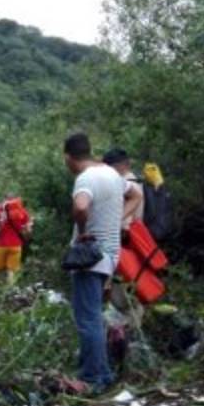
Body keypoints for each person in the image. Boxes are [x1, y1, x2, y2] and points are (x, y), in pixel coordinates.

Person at [63, 133, 129, 392]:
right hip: (110, 255)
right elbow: (135, 193)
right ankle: (101, 372)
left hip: (89, 258)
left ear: (68, 157)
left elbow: (81, 207)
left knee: (87, 318)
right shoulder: (111, 174)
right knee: (94, 315)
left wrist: (82, 233)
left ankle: (93, 378)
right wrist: (117, 220)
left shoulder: (85, 178)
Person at [0, 193, 30, 284]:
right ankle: (10, 290)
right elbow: (27, 230)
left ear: (4, 199)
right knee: (11, 271)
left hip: (0, 244)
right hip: (16, 245)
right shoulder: (22, 211)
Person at [102, 148, 145, 230]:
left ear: (118, 166)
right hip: (133, 228)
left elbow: (127, 218)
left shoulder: (127, 183)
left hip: (125, 230)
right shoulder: (135, 180)